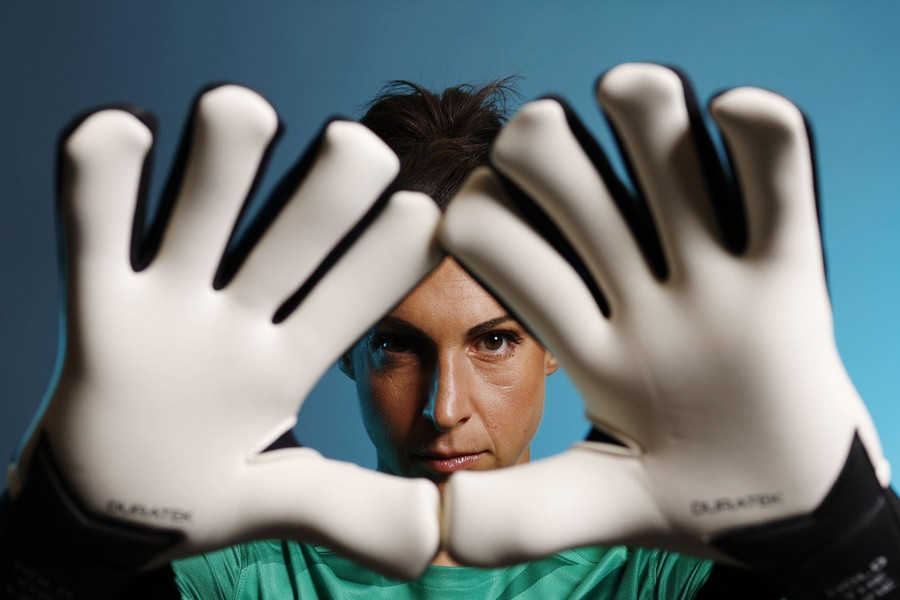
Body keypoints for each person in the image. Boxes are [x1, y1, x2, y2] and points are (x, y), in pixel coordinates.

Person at [2, 66, 898, 600]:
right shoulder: (235, 566)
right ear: (340, 350)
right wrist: (53, 561)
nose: (444, 409)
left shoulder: (663, 561)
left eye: (496, 341)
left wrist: (849, 554)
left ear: (560, 343)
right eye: (395, 343)